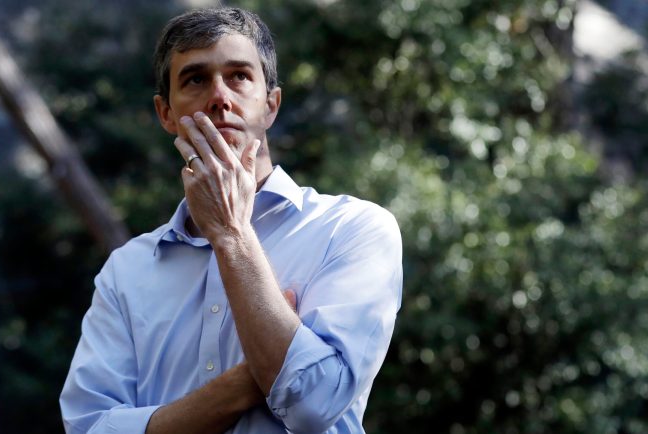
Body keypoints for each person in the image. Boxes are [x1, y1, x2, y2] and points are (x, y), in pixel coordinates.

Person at [59, 6, 402, 434]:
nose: (220, 97)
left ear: (271, 105)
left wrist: (232, 233)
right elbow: (89, 427)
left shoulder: (353, 229)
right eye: (196, 79)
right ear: (166, 114)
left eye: (239, 75)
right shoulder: (126, 271)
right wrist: (248, 382)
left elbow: (314, 406)